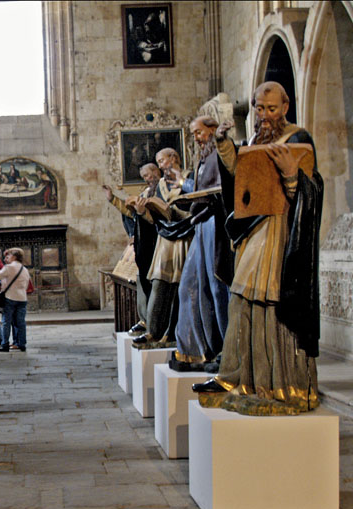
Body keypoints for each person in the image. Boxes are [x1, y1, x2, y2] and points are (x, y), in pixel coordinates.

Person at [193, 81, 324, 415]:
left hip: (282, 237)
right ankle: (238, 378)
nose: (264, 116)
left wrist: (292, 175)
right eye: (259, 108)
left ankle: (282, 385)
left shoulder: (298, 139)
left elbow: (312, 192)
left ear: (285, 107)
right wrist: (224, 146)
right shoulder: (255, 141)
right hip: (253, 234)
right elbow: (240, 178)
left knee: (272, 308)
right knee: (241, 304)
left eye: (271, 108)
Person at [168, 116, 233, 372]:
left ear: (213, 130)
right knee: (190, 287)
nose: (196, 137)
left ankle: (225, 351)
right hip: (201, 224)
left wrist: (185, 184)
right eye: (193, 133)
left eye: (199, 132)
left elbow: (224, 188)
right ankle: (197, 350)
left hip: (216, 225)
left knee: (217, 290)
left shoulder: (221, 155)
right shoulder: (205, 159)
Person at [131, 148, 193, 348]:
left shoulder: (189, 178)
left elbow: (197, 206)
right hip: (166, 240)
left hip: (186, 238)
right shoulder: (160, 186)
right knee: (159, 285)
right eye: (158, 162)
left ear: (174, 158)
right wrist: (142, 212)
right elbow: (154, 219)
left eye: (162, 161)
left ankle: (175, 334)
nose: (160, 166)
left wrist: (176, 212)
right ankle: (153, 331)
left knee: (181, 289)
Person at [103, 162, 162, 338]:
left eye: (148, 175)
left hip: (158, 243)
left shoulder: (163, 189)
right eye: (144, 177)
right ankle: (145, 320)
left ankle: (155, 324)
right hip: (145, 245)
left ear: (156, 171)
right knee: (142, 281)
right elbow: (132, 214)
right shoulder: (146, 193)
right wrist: (113, 199)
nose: (147, 179)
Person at [0, 248, 30, 353]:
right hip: (22, 298)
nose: (7, 258)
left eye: (8, 256)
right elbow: (26, 285)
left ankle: (4, 344)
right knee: (20, 322)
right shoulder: (25, 269)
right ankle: (22, 344)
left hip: (10, 297)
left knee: (6, 321)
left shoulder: (9, 268)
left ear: (14, 257)